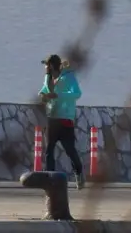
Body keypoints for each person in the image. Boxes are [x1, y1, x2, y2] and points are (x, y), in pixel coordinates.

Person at [39, 54, 85, 189]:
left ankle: (79, 173)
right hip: (51, 118)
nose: (45, 68)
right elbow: (44, 90)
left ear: (52, 65)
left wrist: (58, 95)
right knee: (49, 149)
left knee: (70, 150)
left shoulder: (68, 77)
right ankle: (50, 179)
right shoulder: (48, 78)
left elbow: (77, 94)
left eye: (46, 65)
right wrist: (42, 95)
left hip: (65, 119)